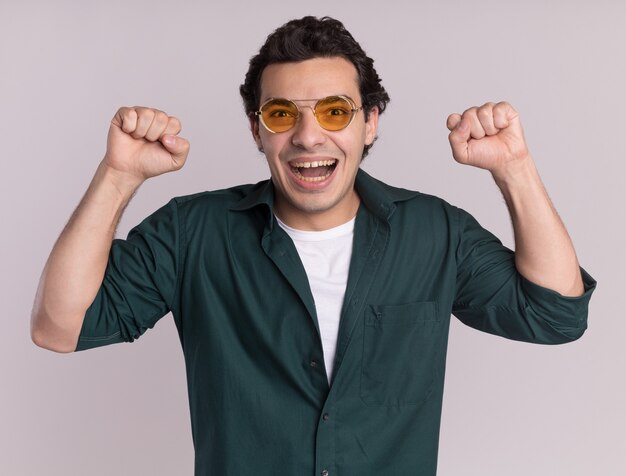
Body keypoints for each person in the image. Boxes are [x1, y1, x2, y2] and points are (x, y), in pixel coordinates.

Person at [31, 16, 595, 476]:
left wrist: (514, 170)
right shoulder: (193, 232)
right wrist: (118, 175)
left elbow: (555, 313)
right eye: (282, 115)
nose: (307, 136)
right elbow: (59, 326)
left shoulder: (435, 232)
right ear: (257, 130)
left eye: (334, 111)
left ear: (370, 122)